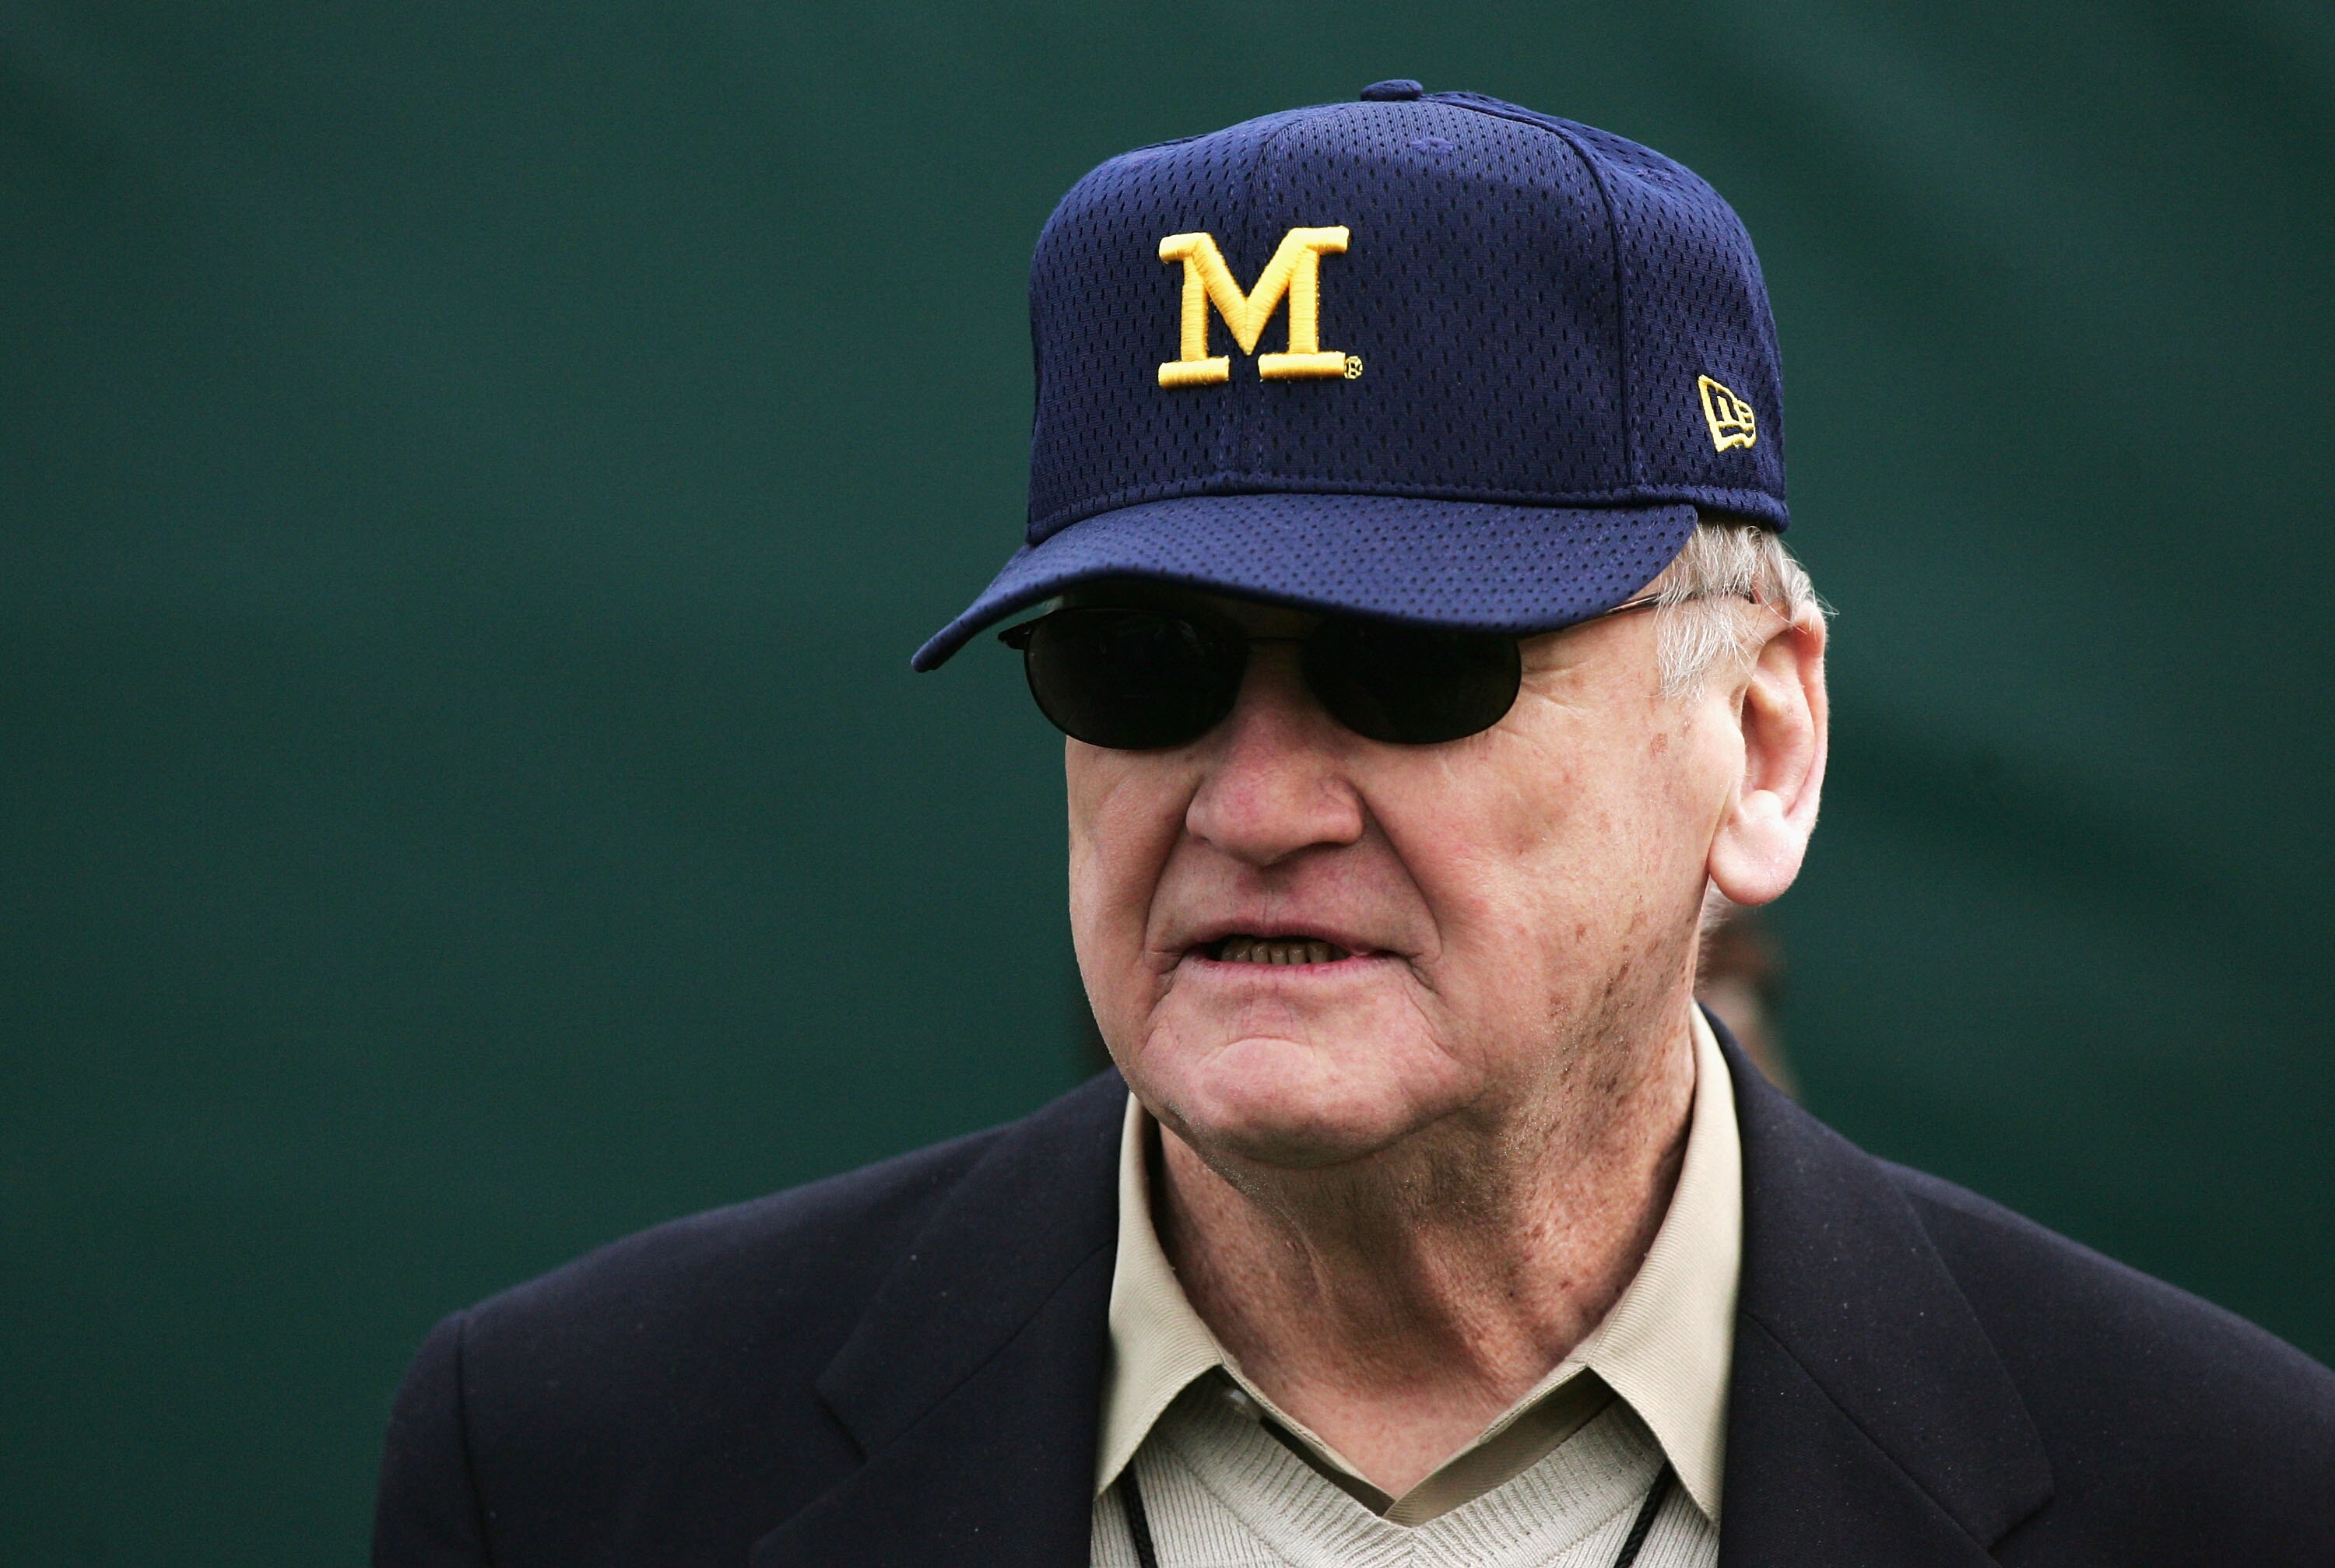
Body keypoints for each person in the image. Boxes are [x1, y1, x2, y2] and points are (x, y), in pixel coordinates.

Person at [372, 83, 2335, 1566]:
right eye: (1140, 664)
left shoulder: (2231, 1496)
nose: (1254, 798)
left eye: (1416, 666)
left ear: (1760, 743)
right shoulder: (582, 1461)